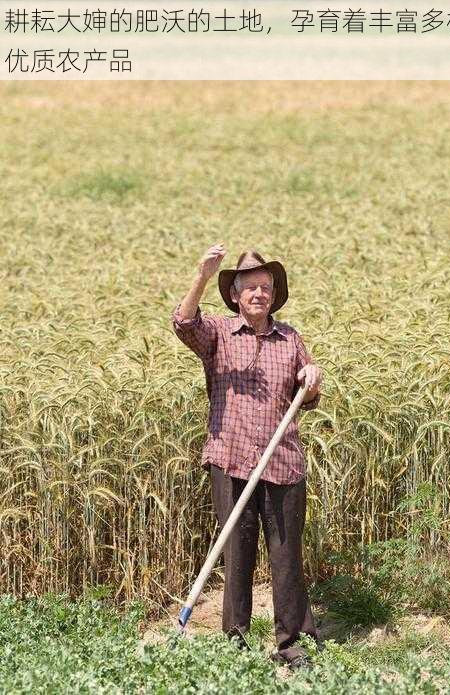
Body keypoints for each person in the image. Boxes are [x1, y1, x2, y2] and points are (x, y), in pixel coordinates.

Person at [172, 243, 322, 669]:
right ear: (235, 295)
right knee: (237, 552)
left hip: (282, 463)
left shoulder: (290, 338)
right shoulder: (218, 334)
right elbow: (183, 323)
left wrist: (312, 378)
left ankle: (291, 643)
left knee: (286, 555)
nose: (259, 294)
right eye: (251, 287)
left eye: (266, 287)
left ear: (274, 294)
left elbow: (309, 395)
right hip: (231, 459)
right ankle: (234, 641)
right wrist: (202, 275)